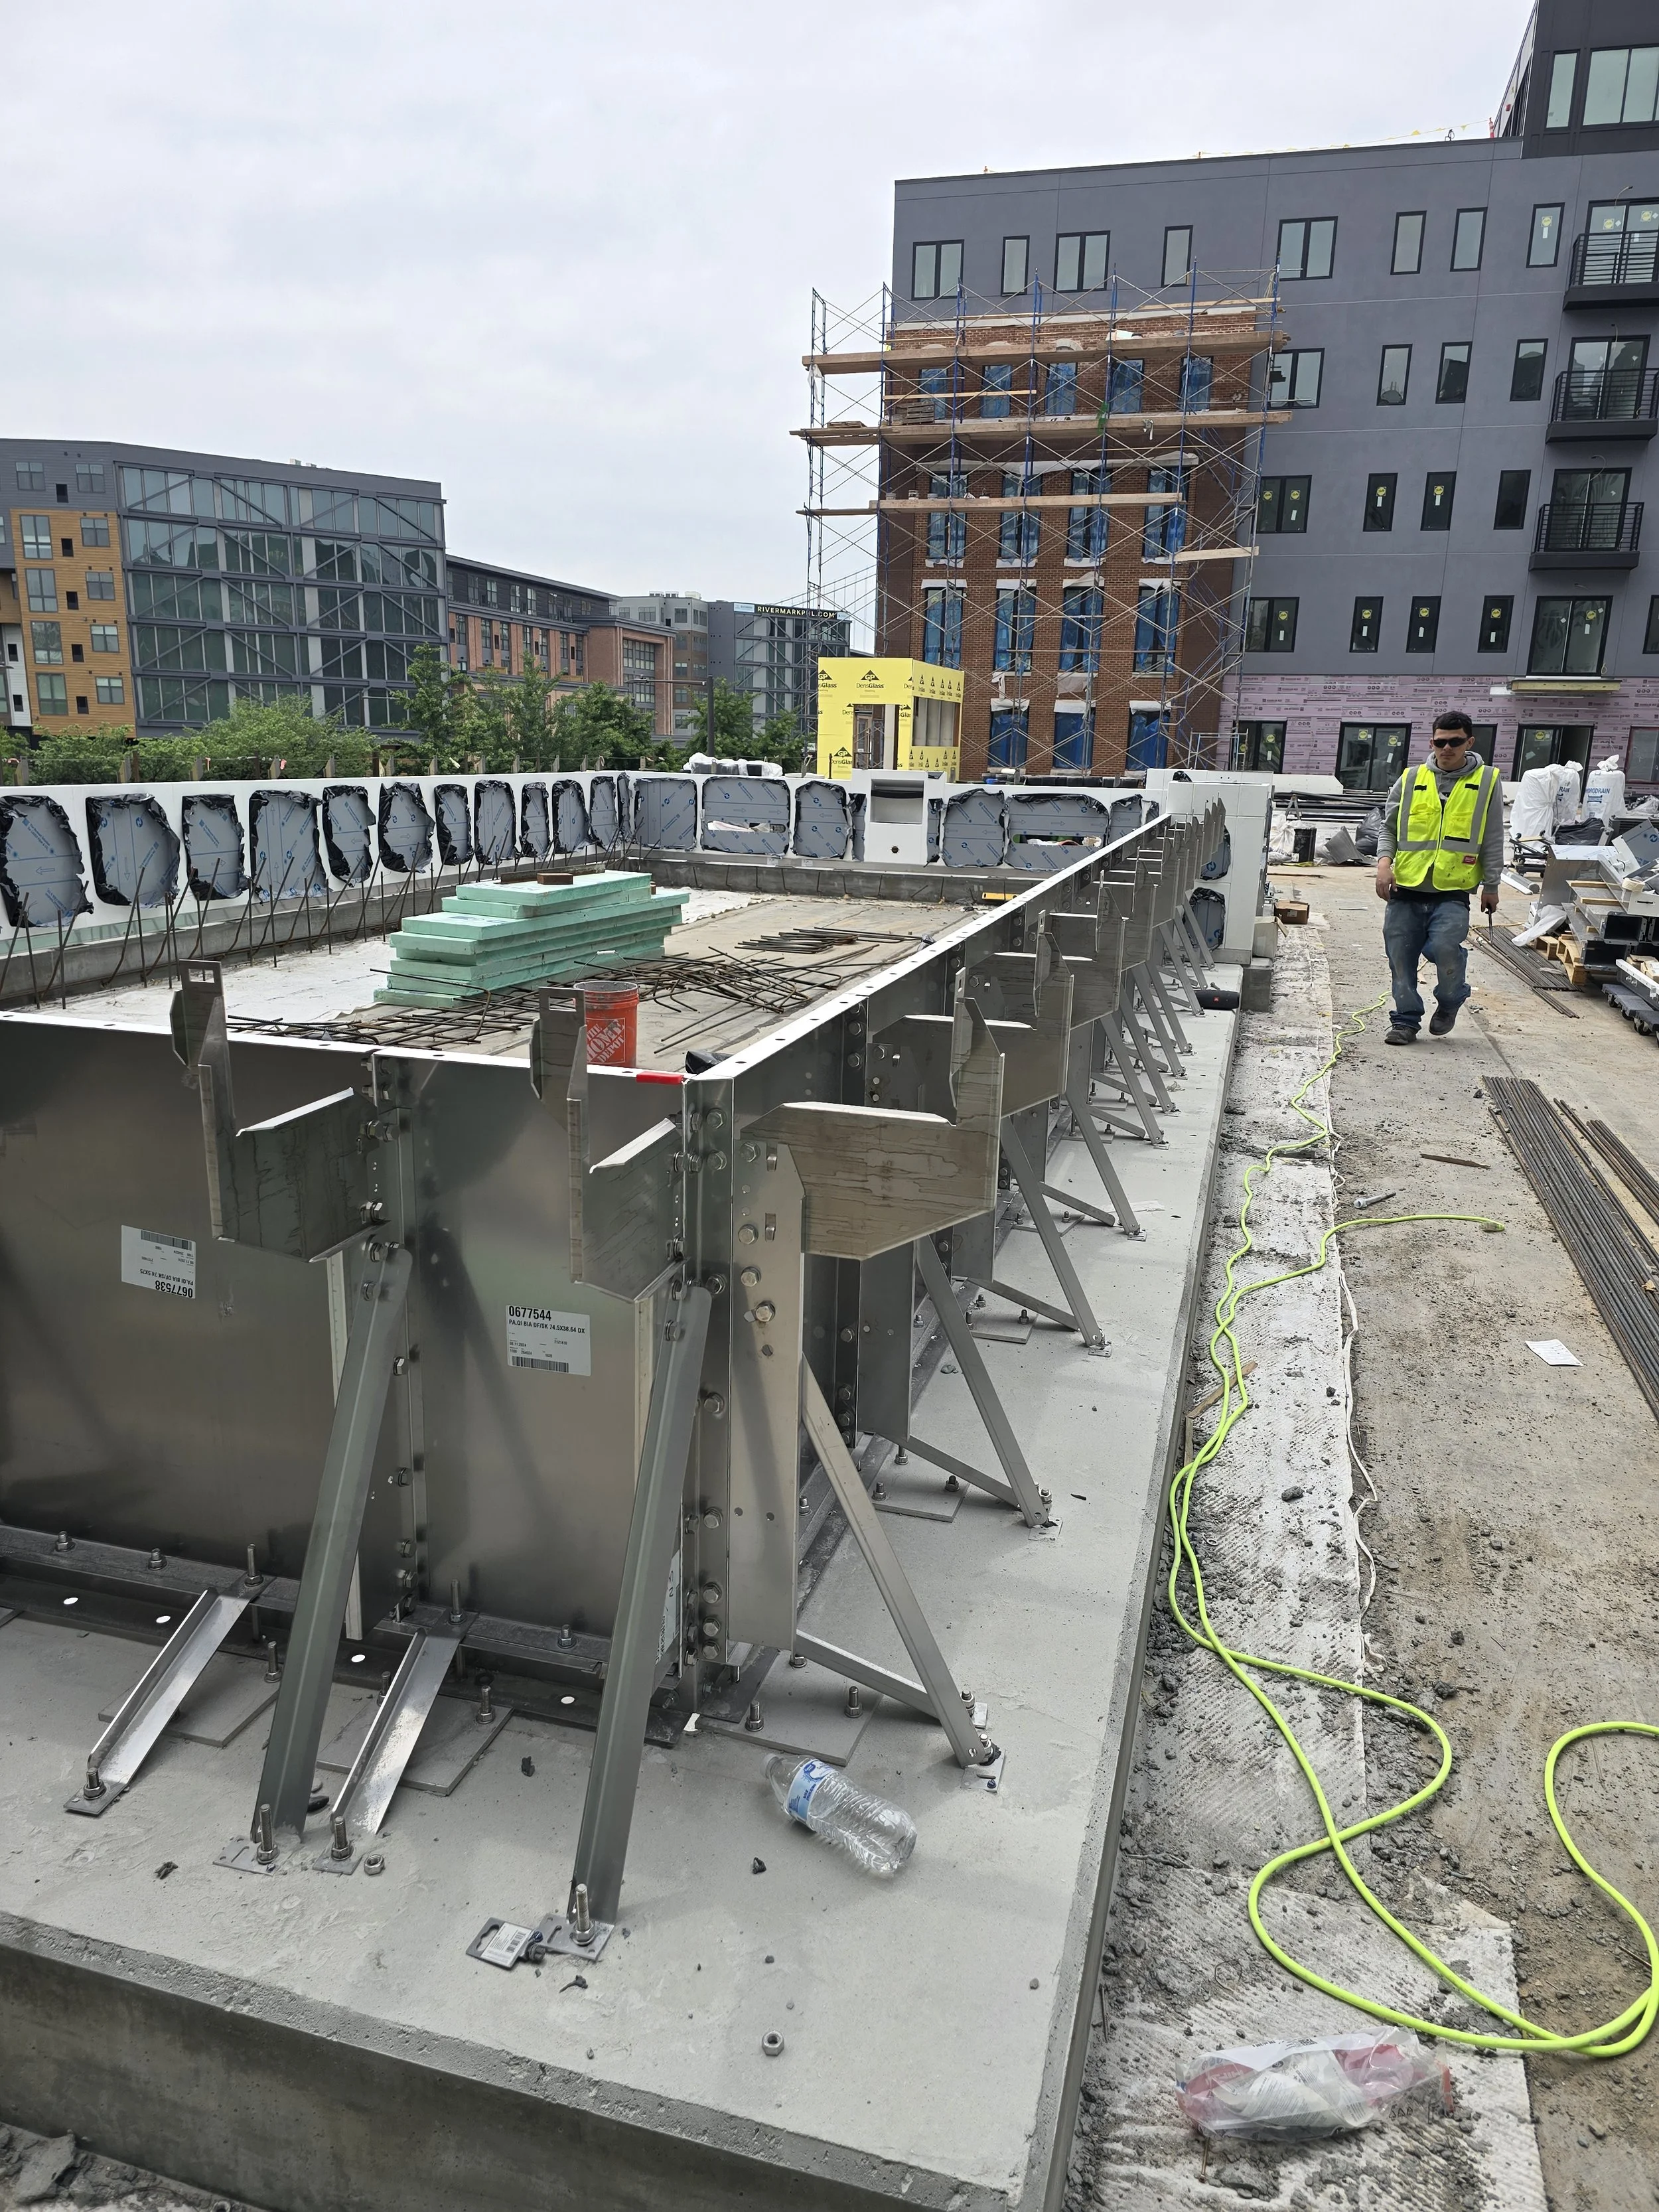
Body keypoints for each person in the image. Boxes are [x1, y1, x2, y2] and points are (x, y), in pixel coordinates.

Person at [1373, 711, 1502, 1045]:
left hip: (1453, 889)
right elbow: (1389, 828)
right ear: (1432, 742)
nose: (1447, 748)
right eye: (1441, 742)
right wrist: (1384, 864)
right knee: (1401, 958)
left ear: (1469, 742)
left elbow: (1492, 837)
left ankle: (1451, 998)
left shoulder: (1487, 781)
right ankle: (1405, 1021)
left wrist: (1491, 885)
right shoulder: (1411, 778)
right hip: (1407, 886)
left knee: (1444, 947)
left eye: (1455, 742)